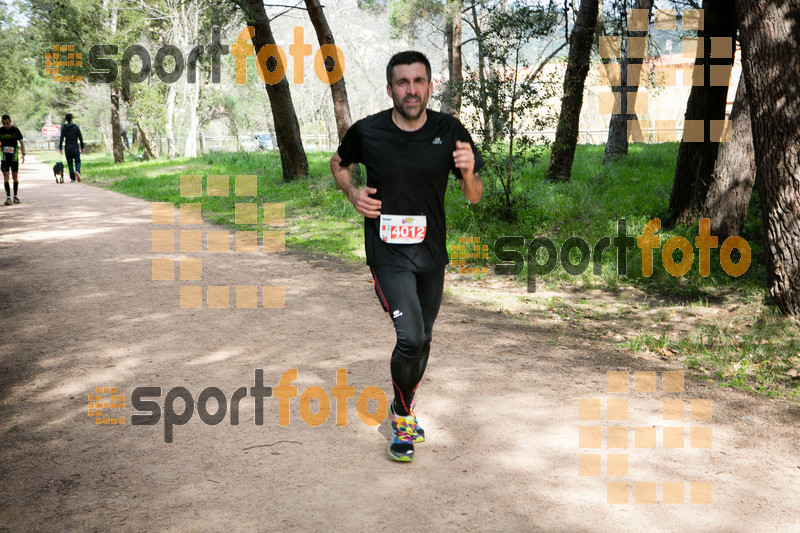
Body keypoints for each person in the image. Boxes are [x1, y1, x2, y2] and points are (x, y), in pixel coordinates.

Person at [330, 51, 484, 462]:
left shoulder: (450, 130)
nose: (411, 90)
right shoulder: (369, 131)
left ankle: (405, 405)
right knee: (410, 337)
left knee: (425, 338)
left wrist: (469, 173)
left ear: (430, 87)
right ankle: (401, 418)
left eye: (419, 81)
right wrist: (353, 192)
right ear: (390, 89)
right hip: (387, 252)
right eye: (403, 82)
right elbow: (338, 162)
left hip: (431, 253)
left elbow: (474, 196)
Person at [0, 115, 25, 205]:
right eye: (3, 124)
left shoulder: (15, 130)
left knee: (15, 177)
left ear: (10, 121)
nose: (5, 125)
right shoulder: (0, 131)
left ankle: (15, 196)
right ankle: (8, 197)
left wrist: (23, 154)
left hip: (14, 157)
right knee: (6, 177)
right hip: (4, 157)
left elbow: (21, 142)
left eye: (7, 123)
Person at [59, 113, 85, 182]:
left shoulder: (64, 128)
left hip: (67, 148)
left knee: (69, 163)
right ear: (71, 119)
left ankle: (73, 178)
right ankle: (77, 171)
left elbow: (61, 138)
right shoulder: (76, 127)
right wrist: (82, 147)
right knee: (77, 162)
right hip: (75, 148)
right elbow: (80, 138)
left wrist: (60, 148)